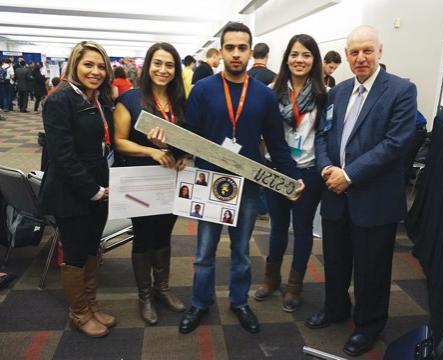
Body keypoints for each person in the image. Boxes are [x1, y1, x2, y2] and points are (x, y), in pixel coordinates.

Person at [149, 22, 304, 335]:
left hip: (247, 186)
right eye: (230, 47)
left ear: (250, 50)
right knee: (204, 251)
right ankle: (200, 303)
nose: (236, 54)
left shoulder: (263, 95)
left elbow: (276, 144)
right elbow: (191, 133)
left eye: (242, 47)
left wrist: (292, 177)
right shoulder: (203, 89)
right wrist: (166, 144)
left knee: (242, 251)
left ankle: (239, 301)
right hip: (209, 180)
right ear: (220, 51)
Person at [307, 25, 417, 357]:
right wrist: (327, 168)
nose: (360, 58)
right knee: (336, 260)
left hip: (374, 199)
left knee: (372, 269)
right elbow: (323, 135)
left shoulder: (401, 90)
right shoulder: (337, 91)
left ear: (380, 51)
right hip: (335, 195)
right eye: (354, 52)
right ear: (346, 55)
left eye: (367, 50)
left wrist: (349, 175)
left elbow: (395, 144)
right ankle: (336, 308)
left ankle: (368, 325)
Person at [39, 40, 117, 338]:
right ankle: (79, 313)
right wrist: (93, 190)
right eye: (88, 65)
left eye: (101, 66)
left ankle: (91, 304)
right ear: (74, 64)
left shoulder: (95, 98)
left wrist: (103, 187)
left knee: (91, 247)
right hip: (71, 191)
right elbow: (63, 156)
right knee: (74, 252)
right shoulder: (60, 99)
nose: (95, 71)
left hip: (99, 186)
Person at [114, 42, 188, 326]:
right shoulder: (131, 99)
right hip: (140, 179)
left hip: (170, 179)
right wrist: (152, 151)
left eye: (169, 65)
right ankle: (145, 296)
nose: (163, 70)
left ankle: (163, 289)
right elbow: (119, 142)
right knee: (144, 236)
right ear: (148, 65)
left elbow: (185, 137)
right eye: (158, 63)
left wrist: (183, 156)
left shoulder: (180, 101)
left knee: (164, 233)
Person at [254, 34, 326, 312]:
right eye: (295, 54)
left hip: (308, 172)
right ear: (287, 58)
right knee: (277, 227)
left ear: (314, 60)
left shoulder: (322, 94)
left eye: (306, 55)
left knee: (303, 229)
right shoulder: (272, 91)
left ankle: (295, 286)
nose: (300, 60)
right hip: (277, 170)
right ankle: (271, 279)